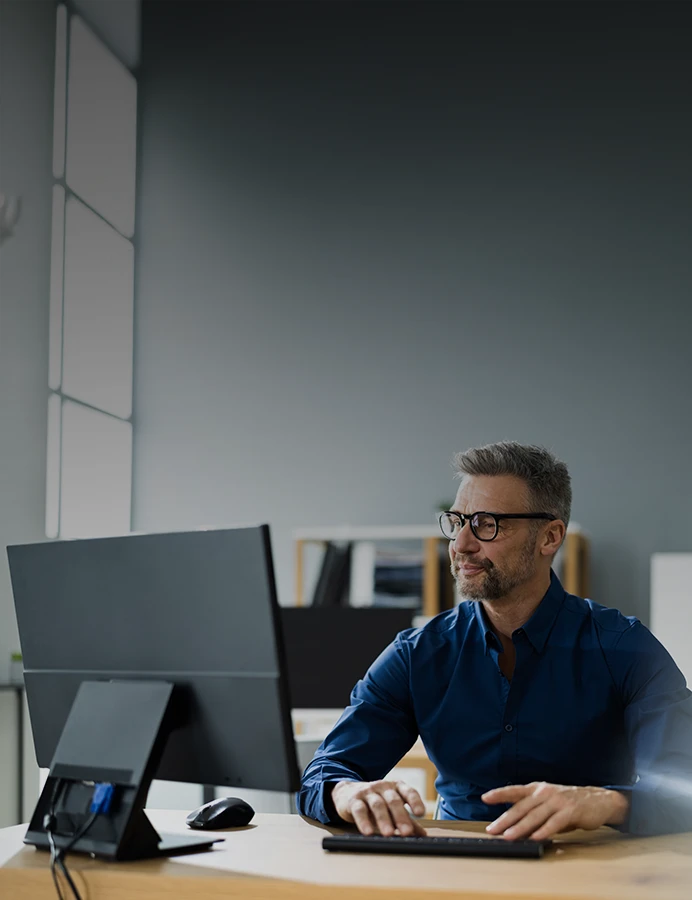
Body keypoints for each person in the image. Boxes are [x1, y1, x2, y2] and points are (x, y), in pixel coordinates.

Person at [297, 441, 692, 840]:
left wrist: (605, 802)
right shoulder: (416, 654)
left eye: (487, 524)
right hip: (455, 873)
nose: (461, 544)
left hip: (586, 874)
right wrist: (348, 793)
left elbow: (685, 790)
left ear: (550, 537)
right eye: (457, 521)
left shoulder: (626, 648)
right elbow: (322, 777)